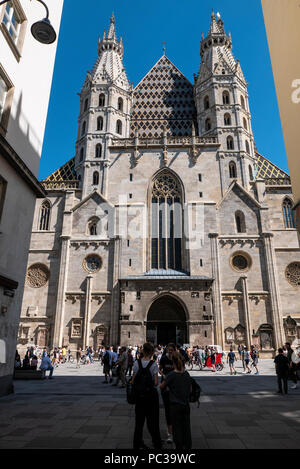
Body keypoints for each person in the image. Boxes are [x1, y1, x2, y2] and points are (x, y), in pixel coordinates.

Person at [132, 342, 162, 450]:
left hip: (139, 397)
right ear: (152, 352)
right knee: (153, 421)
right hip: (151, 397)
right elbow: (155, 383)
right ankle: (157, 443)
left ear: (143, 351)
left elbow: (133, 380)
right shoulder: (153, 364)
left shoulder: (136, 363)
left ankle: (137, 444)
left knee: (139, 423)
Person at [160, 352, 192, 450]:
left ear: (173, 363)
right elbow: (190, 390)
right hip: (186, 405)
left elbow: (161, 387)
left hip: (175, 405)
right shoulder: (187, 374)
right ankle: (187, 445)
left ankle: (179, 447)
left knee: (177, 427)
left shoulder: (171, 375)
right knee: (186, 427)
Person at [159, 343, 176, 444]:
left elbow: (182, 370)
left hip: (175, 387)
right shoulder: (164, 359)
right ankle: (170, 433)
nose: (169, 351)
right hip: (165, 386)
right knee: (168, 410)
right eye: (168, 349)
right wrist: (164, 376)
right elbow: (160, 369)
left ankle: (176, 431)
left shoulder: (177, 359)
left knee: (176, 409)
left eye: (171, 350)